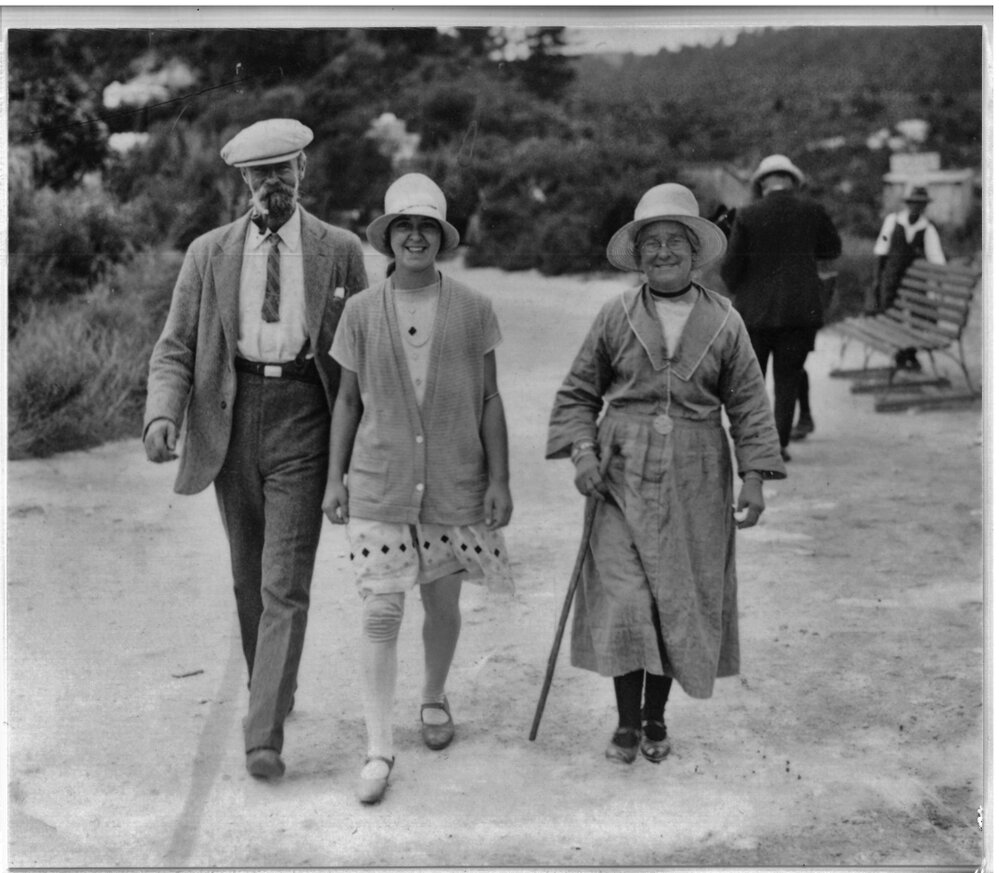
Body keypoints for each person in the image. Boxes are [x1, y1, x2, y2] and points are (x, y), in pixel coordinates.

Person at [143, 118, 369, 781]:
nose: (272, 184)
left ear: (303, 170)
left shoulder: (341, 250)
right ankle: (274, 687)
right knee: (248, 578)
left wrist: (369, 448)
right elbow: (176, 345)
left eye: (284, 169)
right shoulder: (207, 253)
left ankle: (261, 731)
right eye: (258, 173)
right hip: (232, 416)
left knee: (283, 582)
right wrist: (162, 412)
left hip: (306, 415)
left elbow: (366, 353)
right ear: (241, 180)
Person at [546, 183, 785, 766]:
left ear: (695, 251)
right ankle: (627, 722)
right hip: (619, 473)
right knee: (627, 600)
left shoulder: (726, 322)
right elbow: (578, 393)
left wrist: (753, 475)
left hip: (697, 475)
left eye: (674, 241)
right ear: (638, 254)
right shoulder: (615, 315)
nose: (662, 253)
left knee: (675, 600)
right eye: (650, 243)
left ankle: (656, 718)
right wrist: (582, 454)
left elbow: (750, 404)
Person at [323, 173, 514, 805]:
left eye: (426, 226)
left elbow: (489, 398)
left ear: (440, 237)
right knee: (381, 611)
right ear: (386, 238)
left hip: (456, 481)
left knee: (441, 604)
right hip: (379, 481)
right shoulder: (358, 312)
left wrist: (500, 480)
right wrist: (335, 480)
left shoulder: (473, 308)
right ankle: (379, 748)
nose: (414, 236)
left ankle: (433, 696)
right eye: (403, 225)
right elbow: (348, 402)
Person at [720, 154, 841, 461]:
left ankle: (755, 443)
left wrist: (744, 290)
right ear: (793, 181)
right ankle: (779, 445)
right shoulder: (813, 211)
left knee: (753, 380)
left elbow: (731, 269)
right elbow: (832, 249)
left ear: (762, 183)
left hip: (755, 314)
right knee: (789, 377)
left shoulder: (747, 214)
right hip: (800, 311)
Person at [869, 184, 947, 371]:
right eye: (913, 203)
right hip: (891, 278)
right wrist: (878, 280)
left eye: (921, 204)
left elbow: (937, 260)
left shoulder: (927, 229)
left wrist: (937, 285)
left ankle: (910, 352)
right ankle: (899, 354)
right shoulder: (893, 221)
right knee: (889, 311)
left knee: (917, 313)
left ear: (925, 206)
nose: (916, 207)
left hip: (914, 281)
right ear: (907, 203)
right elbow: (881, 250)